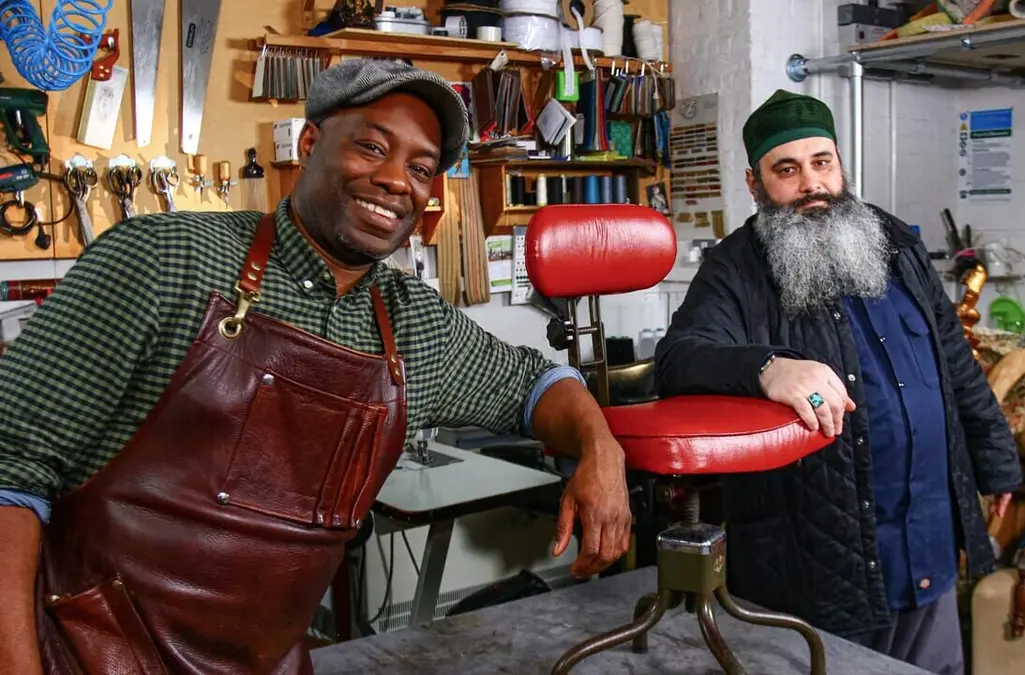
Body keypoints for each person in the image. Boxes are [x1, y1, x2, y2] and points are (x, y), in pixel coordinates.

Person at [0, 60, 631, 674]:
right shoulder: (168, 261)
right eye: (371, 147)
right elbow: (10, 473)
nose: (396, 180)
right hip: (81, 653)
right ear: (308, 144)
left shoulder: (413, 325)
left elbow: (533, 384)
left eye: (420, 168)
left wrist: (600, 448)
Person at [653, 89, 1021, 675]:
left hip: (926, 540)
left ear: (839, 165)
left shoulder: (896, 245)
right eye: (787, 169)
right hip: (820, 560)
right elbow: (676, 361)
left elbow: (954, 361)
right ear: (754, 183)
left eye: (821, 162)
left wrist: (996, 460)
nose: (811, 184)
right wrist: (767, 366)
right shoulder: (736, 269)